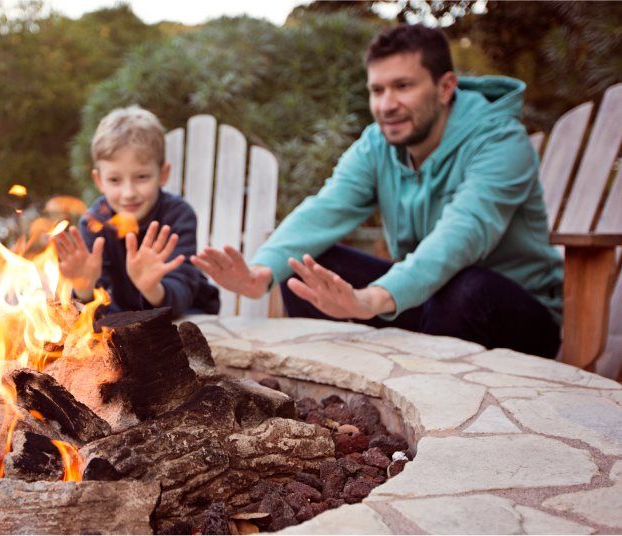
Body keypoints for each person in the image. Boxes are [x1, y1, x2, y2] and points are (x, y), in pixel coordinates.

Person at [192, 24, 563, 358]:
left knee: (465, 288)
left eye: (403, 86)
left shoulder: (501, 141)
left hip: (516, 316)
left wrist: (372, 298)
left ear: (445, 87)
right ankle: (338, 396)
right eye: (377, 90)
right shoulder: (377, 145)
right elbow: (326, 207)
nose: (386, 105)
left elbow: (463, 233)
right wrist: (260, 274)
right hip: (428, 303)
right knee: (305, 269)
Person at [54, 106, 220, 317]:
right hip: (124, 322)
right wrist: (84, 286)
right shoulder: (94, 223)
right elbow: (90, 311)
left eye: (142, 177)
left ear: (163, 174)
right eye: (115, 180)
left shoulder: (178, 216)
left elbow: (183, 290)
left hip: (184, 318)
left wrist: (152, 288)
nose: (128, 193)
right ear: (99, 181)